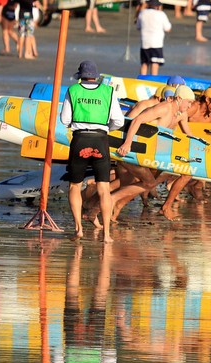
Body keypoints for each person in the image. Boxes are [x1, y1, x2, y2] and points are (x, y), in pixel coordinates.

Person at [60, 61, 125, 242]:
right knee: (104, 188)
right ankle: (106, 235)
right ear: (96, 76)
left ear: (80, 76)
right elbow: (118, 121)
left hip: (80, 139)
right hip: (101, 139)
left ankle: (78, 229)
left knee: (74, 185)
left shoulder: (73, 90)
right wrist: (105, 129)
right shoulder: (108, 91)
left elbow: (64, 120)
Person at [115, 85, 197, 221]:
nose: (190, 106)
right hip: (140, 149)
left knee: (184, 173)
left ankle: (165, 207)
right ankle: (108, 204)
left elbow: (188, 134)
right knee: (135, 182)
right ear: (179, 98)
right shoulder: (164, 107)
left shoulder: (182, 114)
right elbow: (137, 120)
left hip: (158, 151)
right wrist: (127, 143)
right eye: (189, 102)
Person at [136, 0, 171, 76]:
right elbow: (168, 28)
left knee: (144, 64)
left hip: (145, 42)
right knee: (154, 64)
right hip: (156, 43)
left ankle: (142, 81)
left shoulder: (142, 13)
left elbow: (138, 27)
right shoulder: (161, 14)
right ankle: (153, 80)